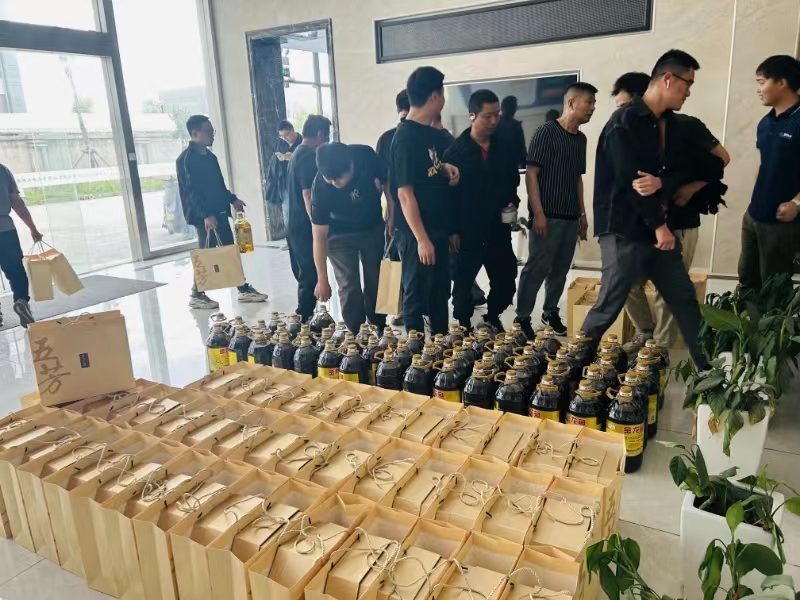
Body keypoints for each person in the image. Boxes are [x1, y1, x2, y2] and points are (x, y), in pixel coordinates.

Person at [582, 49, 708, 369]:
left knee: (683, 298)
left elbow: (682, 170)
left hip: (657, 230)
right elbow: (632, 183)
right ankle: (567, 373)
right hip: (625, 229)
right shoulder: (624, 122)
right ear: (668, 79)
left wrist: (663, 183)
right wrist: (659, 226)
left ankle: (709, 371)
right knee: (609, 304)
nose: (689, 92)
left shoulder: (664, 124)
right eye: (687, 84)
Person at [612, 73, 731, 352]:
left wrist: (692, 187)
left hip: (680, 221)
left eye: (627, 106)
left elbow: (722, 159)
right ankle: (645, 333)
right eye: (620, 108)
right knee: (625, 282)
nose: (624, 114)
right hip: (642, 223)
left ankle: (660, 348)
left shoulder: (687, 126)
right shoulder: (626, 134)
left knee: (668, 290)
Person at [514, 82, 597, 338]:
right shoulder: (545, 132)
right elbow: (531, 174)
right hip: (546, 215)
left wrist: (582, 214)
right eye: (589, 102)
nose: (592, 108)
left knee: (560, 270)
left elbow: (577, 178)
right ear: (571, 103)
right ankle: (522, 317)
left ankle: (550, 312)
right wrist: (538, 213)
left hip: (570, 216)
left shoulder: (581, 139)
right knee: (536, 268)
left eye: (594, 103)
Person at [391, 66, 460, 337]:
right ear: (434, 96)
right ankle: (415, 352)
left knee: (439, 292)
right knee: (416, 294)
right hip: (416, 233)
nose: (443, 99)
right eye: (442, 94)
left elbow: (426, 168)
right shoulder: (405, 137)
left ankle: (440, 346)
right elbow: (404, 193)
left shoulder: (428, 132)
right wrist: (422, 239)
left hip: (436, 228)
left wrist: (444, 168)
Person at [444, 89, 520, 333]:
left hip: (498, 227)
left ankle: (493, 316)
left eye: (497, 114)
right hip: (468, 230)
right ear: (472, 116)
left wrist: (513, 202)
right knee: (463, 283)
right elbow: (448, 197)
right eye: (488, 116)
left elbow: (513, 181)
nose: (494, 120)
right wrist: (452, 231)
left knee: (506, 278)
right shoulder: (455, 152)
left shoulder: (504, 147)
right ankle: (463, 325)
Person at [177, 115, 268, 310]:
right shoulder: (186, 160)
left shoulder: (210, 157)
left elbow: (218, 185)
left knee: (229, 250)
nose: (212, 135)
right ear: (195, 133)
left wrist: (232, 199)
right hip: (204, 216)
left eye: (213, 131)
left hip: (218, 211)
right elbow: (192, 191)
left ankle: (243, 289)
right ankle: (197, 295)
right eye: (208, 131)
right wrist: (205, 215)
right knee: (206, 254)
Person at [311, 142, 387, 333]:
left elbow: (388, 183)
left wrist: (392, 215)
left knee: (377, 278)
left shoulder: (365, 156)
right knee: (348, 285)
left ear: (351, 164)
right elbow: (319, 237)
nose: (336, 183)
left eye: (339, 178)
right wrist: (322, 279)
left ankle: (379, 325)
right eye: (330, 180)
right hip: (339, 236)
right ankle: (355, 332)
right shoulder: (320, 188)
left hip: (372, 227)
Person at [738, 54, 800, 289]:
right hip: (754, 214)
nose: (758, 89)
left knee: (774, 289)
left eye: (761, 82)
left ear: (781, 82)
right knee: (747, 280)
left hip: (782, 222)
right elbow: (766, 162)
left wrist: (797, 203)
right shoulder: (765, 122)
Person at [287, 114, 332, 322]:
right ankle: (303, 319)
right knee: (309, 274)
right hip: (304, 225)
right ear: (321, 134)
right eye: (327, 136)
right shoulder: (307, 155)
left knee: (306, 272)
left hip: (296, 223)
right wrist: (315, 221)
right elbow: (308, 194)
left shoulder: (297, 152)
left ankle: (305, 318)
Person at [376, 90, 408, 326]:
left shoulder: (386, 138)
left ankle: (396, 310)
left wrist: (389, 212)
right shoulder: (426, 135)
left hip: (393, 208)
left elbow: (380, 181)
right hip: (412, 209)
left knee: (393, 258)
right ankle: (408, 308)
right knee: (401, 259)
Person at [0, 164, 40, 328]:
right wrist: (33, 228)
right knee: (16, 271)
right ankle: (21, 301)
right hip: (5, 230)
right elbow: (17, 203)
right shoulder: (3, 170)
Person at [266, 120, 302, 234]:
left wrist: (292, 158)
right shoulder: (281, 144)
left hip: (299, 184)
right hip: (284, 184)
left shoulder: (302, 143)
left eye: (286, 135)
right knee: (287, 213)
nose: (284, 138)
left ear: (292, 130)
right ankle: (290, 238)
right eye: (281, 136)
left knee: (301, 213)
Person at [496, 96, 527, 172]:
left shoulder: (494, 124)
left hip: (505, 167)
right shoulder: (516, 126)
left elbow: (522, 150)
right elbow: (522, 151)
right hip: (506, 167)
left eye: (514, 108)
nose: (514, 110)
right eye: (512, 107)